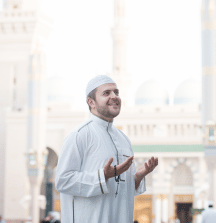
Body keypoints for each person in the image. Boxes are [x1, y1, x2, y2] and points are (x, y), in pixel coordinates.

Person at [55, 75, 159, 223]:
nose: (114, 97)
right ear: (91, 102)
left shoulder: (123, 139)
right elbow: (62, 181)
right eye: (106, 93)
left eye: (116, 92)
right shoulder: (79, 135)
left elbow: (121, 188)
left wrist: (138, 176)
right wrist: (102, 176)